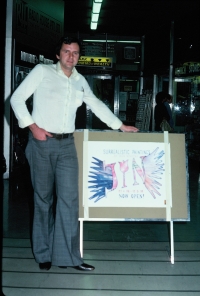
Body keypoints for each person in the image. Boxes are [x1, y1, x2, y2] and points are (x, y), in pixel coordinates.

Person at [10, 36, 139, 272]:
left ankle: (69, 257)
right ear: (58, 54)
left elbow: (96, 103)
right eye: (66, 51)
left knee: (70, 201)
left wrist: (119, 125)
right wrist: (33, 127)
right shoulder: (42, 71)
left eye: (75, 52)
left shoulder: (80, 80)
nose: (71, 56)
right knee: (43, 200)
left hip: (67, 144)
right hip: (42, 143)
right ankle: (43, 254)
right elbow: (17, 99)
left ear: (80, 56)